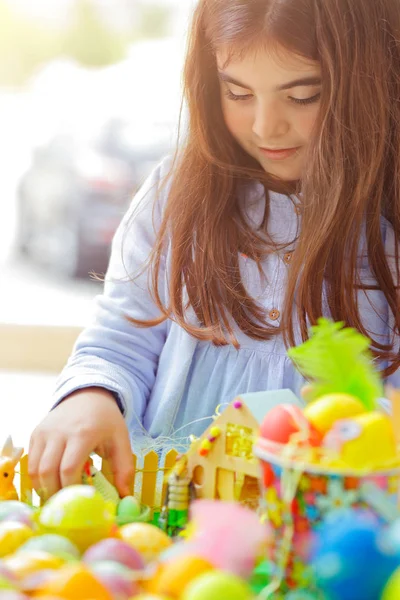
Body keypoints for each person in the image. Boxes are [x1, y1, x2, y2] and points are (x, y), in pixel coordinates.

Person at [28, 0, 400, 499]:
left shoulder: (384, 225)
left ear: (371, 79)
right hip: (165, 517)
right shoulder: (177, 193)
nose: (267, 126)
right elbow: (122, 336)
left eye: (304, 94)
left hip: (327, 535)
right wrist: (91, 394)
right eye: (238, 91)